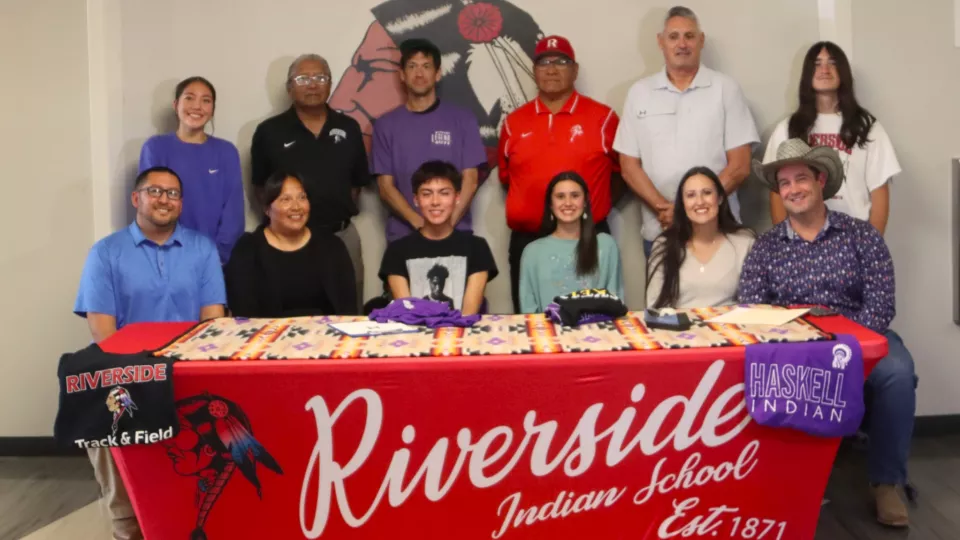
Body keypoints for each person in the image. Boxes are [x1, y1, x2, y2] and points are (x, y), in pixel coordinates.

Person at [739, 139, 916, 528]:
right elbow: (751, 308)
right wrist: (803, 347)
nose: (793, 189)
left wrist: (845, 349)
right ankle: (794, 481)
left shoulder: (862, 236)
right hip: (793, 347)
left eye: (801, 178)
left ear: (821, 181)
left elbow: (882, 302)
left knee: (899, 374)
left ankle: (886, 482)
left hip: (860, 339)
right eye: (784, 183)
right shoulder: (766, 247)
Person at [74, 166, 226, 540]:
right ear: (136, 198)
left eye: (173, 194)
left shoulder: (202, 248)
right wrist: (137, 371)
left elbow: (213, 323)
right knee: (95, 398)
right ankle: (126, 523)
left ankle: (207, 518)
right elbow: (102, 332)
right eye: (155, 191)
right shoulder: (106, 252)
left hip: (189, 368)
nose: (164, 199)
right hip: (125, 369)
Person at [613, 5, 759, 258]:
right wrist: (667, 210)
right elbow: (628, 166)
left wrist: (693, 209)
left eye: (689, 36)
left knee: (725, 299)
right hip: (661, 230)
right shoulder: (640, 93)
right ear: (660, 42)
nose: (682, 44)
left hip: (719, 230)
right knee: (666, 299)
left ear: (701, 41)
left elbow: (740, 166)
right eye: (674, 37)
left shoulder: (725, 89)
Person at [498, 35, 622, 313]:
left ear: (575, 70)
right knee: (531, 323)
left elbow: (622, 174)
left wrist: (595, 206)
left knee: (596, 321)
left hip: (587, 238)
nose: (552, 69)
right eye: (544, 62)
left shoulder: (603, 118)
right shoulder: (513, 122)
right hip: (528, 241)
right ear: (534, 70)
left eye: (561, 62)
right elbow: (509, 179)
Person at [250, 54, 370, 311]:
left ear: (330, 83)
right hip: (286, 240)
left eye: (320, 77)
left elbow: (357, 184)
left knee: (349, 312)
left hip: (341, 235)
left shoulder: (348, 127)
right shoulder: (269, 131)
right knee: (288, 312)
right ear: (289, 87)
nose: (313, 85)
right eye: (303, 78)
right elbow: (261, 188)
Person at [764, 41, 900, 235]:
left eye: (832, 62)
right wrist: (785, 240)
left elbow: (879, 192)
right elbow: (777, 191)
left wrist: (872, 245)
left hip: (855, 236)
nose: (824, 69)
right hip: (803, 239)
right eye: (817, 64)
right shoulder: (787, 129)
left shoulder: (867, 127)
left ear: (843, 71)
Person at [372, 38, 488, 243]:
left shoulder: (463, 119)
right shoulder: (384, 125)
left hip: (456, 233)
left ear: (438, 74)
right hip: (405, 237)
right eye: (412, 66)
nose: (419, 73)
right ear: (402, 75)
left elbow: (470, 180)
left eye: (426, 66)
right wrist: (420, 225)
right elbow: (386, 187)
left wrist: (446, 225)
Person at [139, 76, 244, 264]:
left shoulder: (226, 152)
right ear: (175, 104)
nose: (197, 106)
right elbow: (151, 207)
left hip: (216, 262)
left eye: (206, 100)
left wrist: (216, 258)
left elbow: (233, 214)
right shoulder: (155, 148)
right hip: (166, 259)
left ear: (212, 110)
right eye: (189, 98)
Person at [224, 171, 357, 317]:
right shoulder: (247, 249)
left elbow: (348, 310)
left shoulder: (332, 246)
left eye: (302, 197)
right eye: (285, 199)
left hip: (326, 335)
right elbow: (242, 313)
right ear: (267, 209)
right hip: (267, 336)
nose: (296, 207)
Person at [379, 161, 497, 315]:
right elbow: (407, 312)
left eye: (444, 193)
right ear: (416, 200)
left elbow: (468, 314)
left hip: (462, 336)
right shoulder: (397, 251)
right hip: (414, 335)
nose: (435, 202)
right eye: (427, 194)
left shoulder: (477, 247)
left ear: (457, 197)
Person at [646, 167, 754, 308]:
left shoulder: (745, 242)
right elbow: (654, 306)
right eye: (691, 195)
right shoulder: (664, 245)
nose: (700, 201)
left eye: (707, 193)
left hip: (731, 327)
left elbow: (753, 307)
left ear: (720, 198)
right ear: (682, 204)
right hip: (677, 328)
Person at [519, 172, 624, 313]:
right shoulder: (532, 252)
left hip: (597, 331)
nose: (568, 203)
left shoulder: (606, 245)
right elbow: (528, 309)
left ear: (585, 202)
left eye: (575, 196)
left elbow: (615, 301)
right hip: (548, 332)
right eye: (560, 197)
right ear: (550, 204)